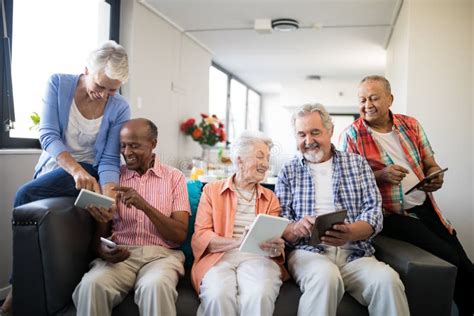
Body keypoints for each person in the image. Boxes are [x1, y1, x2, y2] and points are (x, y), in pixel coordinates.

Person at [1, 41, 131, 315]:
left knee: (100, 204)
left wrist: (109, 193)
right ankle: (18, 288)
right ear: (86, 70)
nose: (106, 95)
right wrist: (76, 170)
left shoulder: (120, 107)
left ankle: (17, 291)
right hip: (62, 169)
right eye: (101, 85)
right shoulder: (59, 84)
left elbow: (108, 159)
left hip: (93, 172)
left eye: (113, 89)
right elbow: (48, 134)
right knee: (26, 195)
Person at [339, 75, 474, 316]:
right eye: (362, 99)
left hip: (426, 207)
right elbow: (348, 184)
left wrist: (434, 175)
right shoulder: (352, 135)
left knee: (464, 261)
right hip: (391, 216)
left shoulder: (410, 124)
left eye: (374, 98)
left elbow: (430, 162)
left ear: (390, 99)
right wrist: (380, 176)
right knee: (448, 256)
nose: (367, 105)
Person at [276, 104, 409, 316]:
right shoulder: (288, 170)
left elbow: (373, 211)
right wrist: (297, 227)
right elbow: (280, 222)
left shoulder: (357, 164)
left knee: (387, 281)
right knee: (325, 277)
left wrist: (350, 232)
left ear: (330, 131)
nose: (308, 141)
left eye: (315, 132)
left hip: (355, 253)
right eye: (302, 134)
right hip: (308, 253)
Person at [72, 118, 191, 316]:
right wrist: (101, 249)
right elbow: (100, 234)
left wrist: (144, 206)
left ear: (153, 144)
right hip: (122, 255)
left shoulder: (174, 177)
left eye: (134, 146)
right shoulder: (113, 177)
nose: (127, 153)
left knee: (155, 287)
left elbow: (179, 234)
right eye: (123, 146)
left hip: (162, 256)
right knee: (91, 285)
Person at [191, 131, 288, 316]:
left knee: (259, 294)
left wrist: (276, 247)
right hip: (218, 257)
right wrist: (239, 242)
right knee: (218, 294)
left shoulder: (271, 198)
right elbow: (201, 236)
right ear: (240, 160)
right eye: (260, 156)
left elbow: (273, 245)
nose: (266, 164)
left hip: (258, 258)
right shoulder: (212, 191)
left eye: (267, 158)